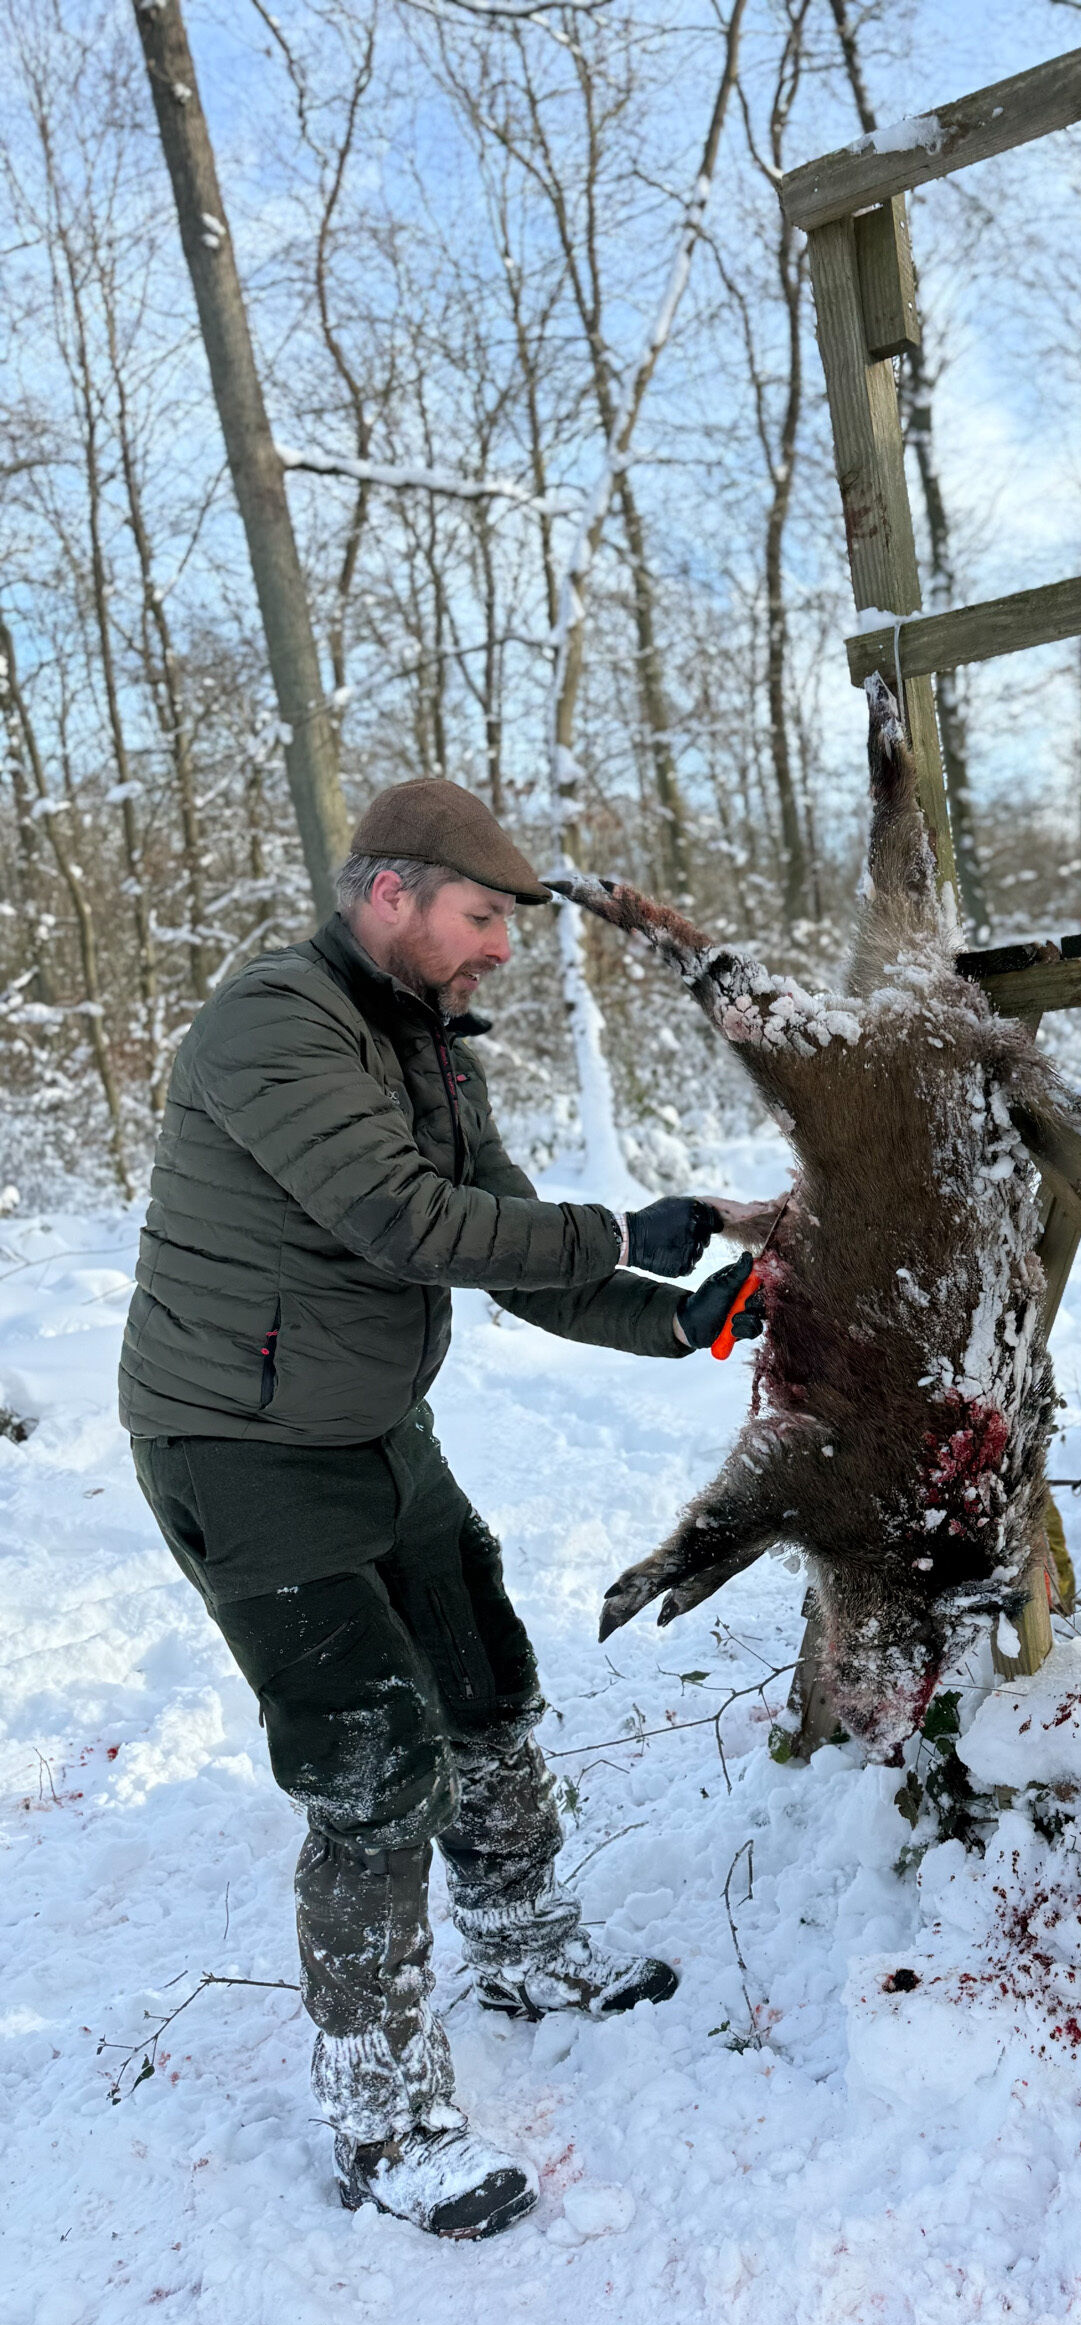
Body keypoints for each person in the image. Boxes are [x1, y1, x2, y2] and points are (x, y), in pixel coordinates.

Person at [119, 779, 764, 2241]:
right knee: (374, 1769)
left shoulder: (430, 1049)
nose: (503, 953)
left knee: (487, 1682)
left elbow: (514, 1252)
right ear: (390, 895)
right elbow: (400, 1220)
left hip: (369, 1428)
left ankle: (528, 1943)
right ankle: (387, 2117)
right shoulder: (271, 1024)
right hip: (239, 1448)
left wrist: (685, 1319)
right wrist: (618, 1224)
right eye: (484, 919)